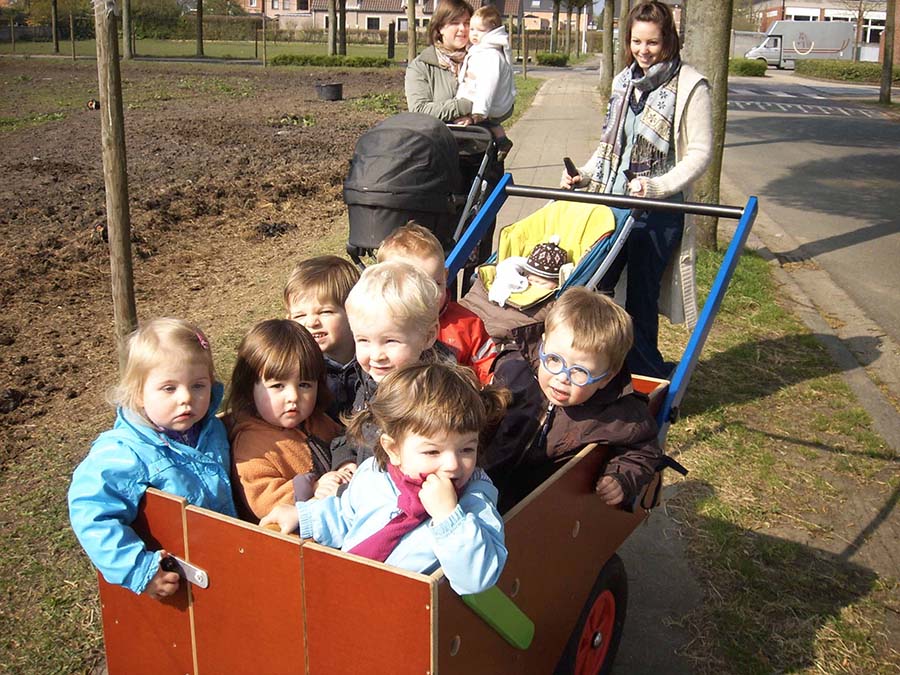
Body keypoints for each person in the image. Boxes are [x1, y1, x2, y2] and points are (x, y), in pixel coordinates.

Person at [260, 362, 510, 595]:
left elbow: (477, 578)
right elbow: (346, 514)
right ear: (393, 450)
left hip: (405, 612)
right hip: (349, 592)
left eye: (467, 449)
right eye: (432, 452)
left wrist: (448, 516)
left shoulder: (474, 500)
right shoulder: (375, 475)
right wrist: (304, 517)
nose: (453, 465)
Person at [560, 0, 712, 379]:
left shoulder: (690, 84)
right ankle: (601, 364)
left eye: (653, 43)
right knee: (598, 286)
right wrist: (584, 174)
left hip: (657, 212)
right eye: (637, 42)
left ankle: (646, 375)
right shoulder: (624, 81)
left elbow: (700, 153)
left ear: (669, 41)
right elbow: (612, 146)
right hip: (612, 203)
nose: (644, 51)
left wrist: (658, 186)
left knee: (642, 300)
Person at [68, 318, 236, 600]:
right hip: (182, 581)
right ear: (139, 394)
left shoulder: (211, 429)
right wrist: (138, 569)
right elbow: (90, 510)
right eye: (169, 388)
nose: (186, 398)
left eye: (198, 385)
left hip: (223, 559)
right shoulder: (126, 451)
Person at [485, 287, 663, 511]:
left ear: (606, 378)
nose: (562, 377)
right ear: (542, 344)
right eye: (553, 359)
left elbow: (644, 449)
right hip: (485, 482)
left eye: (580, 371)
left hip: (541, 509)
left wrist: (621, 477)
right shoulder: (513, 370)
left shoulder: (618, 416)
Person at [329, 261, 455, 471]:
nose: (376, 355)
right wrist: (345, 461)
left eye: (390, 341)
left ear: (428, 336)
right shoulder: (371, 380)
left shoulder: (433, 401)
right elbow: (355, 433)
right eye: (363, 340)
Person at [225, 319, 345, 522]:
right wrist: (313, 487)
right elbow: (262, 499)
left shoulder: (318, 421)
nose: (293, 397)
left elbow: (344, 440)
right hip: (291, 538)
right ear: (248, 388)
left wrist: (346, 465)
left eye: (305, 384)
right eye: (278, 386)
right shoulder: (251, 444)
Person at [377, 223, 497, 384]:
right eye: (416, 288)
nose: (430, 295)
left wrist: (483, 391)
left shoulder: (467, 324)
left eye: (437, 284)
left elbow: (487, 368)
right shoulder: (377, 322)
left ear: (445, 276)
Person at [283, 255, 360, 422]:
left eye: (325, 312)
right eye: (300, 315)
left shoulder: (372, 359)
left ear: (353, 312)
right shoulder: (296, 368)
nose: (311, 322)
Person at [455, 5, 516, 158]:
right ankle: (502, 141)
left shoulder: (490, 55)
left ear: (492, 32)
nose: (474, 34)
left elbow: (487, 86)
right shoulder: (481, 49)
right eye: (473, 29)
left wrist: (479, 112)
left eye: (481, 30)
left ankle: (501, 143)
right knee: (491, 123)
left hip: (493, 103)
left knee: (484, 122)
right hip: (491, 103)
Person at [405, 0, 476, 123]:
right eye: (455, 23)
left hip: (479, 140)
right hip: (437, 140)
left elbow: (504, 104)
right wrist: (466, 105)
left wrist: (475, 118)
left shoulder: (482, 59)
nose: (463, 28)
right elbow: (419, 110)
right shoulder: (421, 67)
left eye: (467, 23)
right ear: (440, 28)